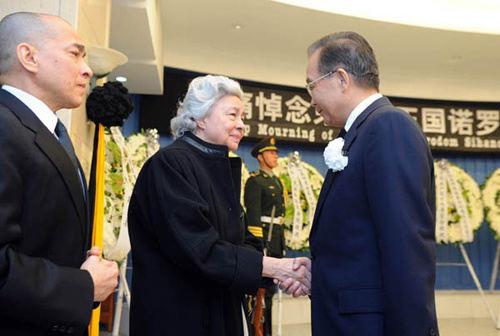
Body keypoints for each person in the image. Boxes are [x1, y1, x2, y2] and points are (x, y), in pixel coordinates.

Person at [127, 75, 310, 336]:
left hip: (220, 313)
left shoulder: (218, 167)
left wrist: (278, 272)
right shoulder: (169, 165)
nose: (241, 126)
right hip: (180, 318)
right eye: (232, 115)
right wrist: (279, 268)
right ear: (200, 118)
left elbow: (247, 241)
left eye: (243, 117)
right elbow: (198, 249)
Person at [304, 32, 439, 336]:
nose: (310, 100)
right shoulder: (359, 134)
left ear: (341, 78)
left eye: (311, 85)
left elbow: (405, 249)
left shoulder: (388, 127)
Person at [0, 12, 118, 335]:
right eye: (74, 53)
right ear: (29, 57)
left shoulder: (48, 131)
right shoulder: (4, 126)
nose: (88, 69)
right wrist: (83, 285)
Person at [244, 136, 286, 336]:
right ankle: (258, 331)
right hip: (264, 242)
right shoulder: (255, 182)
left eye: (276, 152)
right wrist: (258, 247)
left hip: (276, 241)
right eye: (271, 152)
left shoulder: (277, 182)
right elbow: (253, 217)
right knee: (260, 294)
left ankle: (266, 331)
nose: (275, 156)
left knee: (270, 293)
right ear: (260, 157)